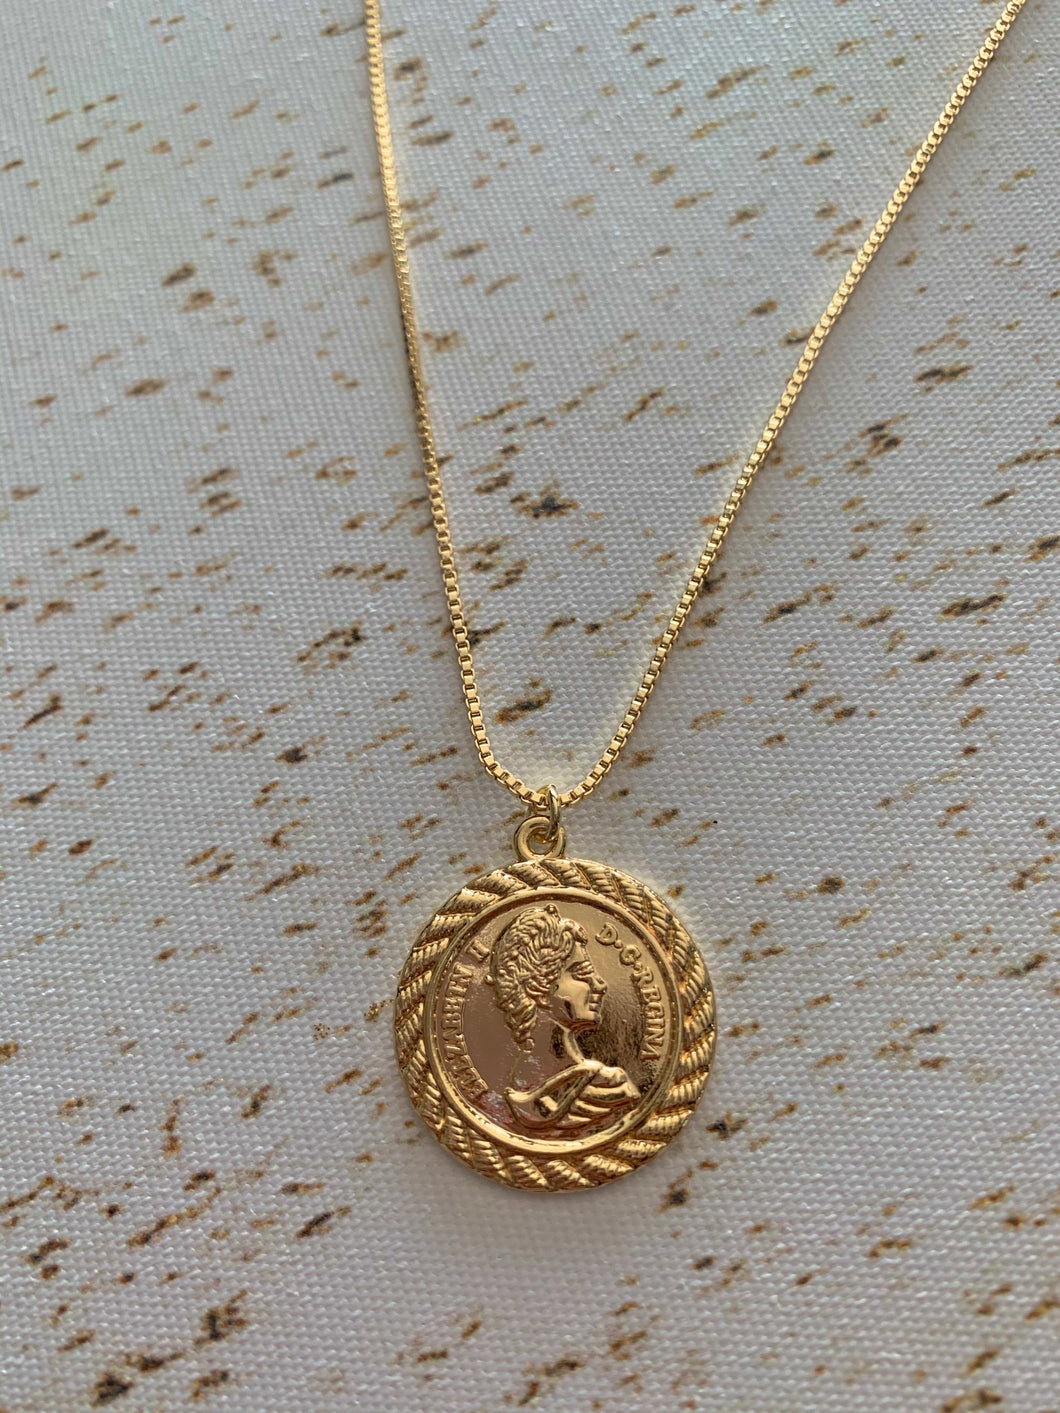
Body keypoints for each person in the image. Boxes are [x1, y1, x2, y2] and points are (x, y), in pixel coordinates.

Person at [487, 902, 639, 1131]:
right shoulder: (607, 1087)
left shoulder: (610, 1086)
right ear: (538, 985)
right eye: (582, 974)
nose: (600, 985)